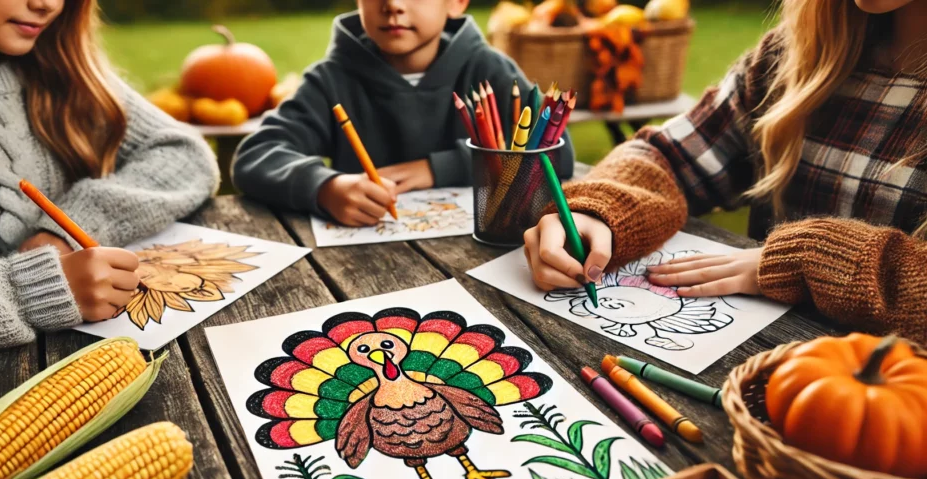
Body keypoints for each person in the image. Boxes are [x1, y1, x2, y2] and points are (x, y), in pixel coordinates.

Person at [523, 0, 927, 343]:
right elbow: (672, 156)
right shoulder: (801, 53)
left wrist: (807, 258)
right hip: (755, 370)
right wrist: (599, 209)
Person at [0, 0, 219, 360]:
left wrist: (64, 233)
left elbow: (184, 153)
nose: (47, 4)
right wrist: (31, 289)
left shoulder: (53, 65)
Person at [232, 0, 576, 226]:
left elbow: (556, 151)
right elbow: (254, 156)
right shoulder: (329, 79)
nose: (393, 5)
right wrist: (325, 187)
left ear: (455, 2)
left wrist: (435, 168)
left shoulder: (489, 69)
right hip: (356, 265)